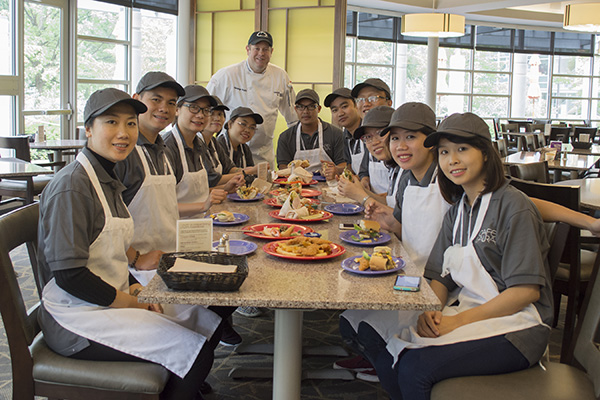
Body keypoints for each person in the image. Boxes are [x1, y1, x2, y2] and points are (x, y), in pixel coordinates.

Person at [37, 88, 222, 400]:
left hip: (108, 297)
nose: (123, 133)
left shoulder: (105, 177)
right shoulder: (73, 187)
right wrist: (133, 301)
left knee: (205, 319)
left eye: (130, 123)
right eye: (111, 122)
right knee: (196, 355)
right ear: (88, 129)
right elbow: (70, 276)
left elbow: (107, 244)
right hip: (75, 317)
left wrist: (135, 287)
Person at [363, 112, 555, 400]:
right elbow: (439, 274)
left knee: (415, 368)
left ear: (487, 154)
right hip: (469, 308)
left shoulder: (514, 207)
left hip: (519, 326)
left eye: (462, 149)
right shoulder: (459, 210)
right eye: (444, 152)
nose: (452, 160)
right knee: (391, 357)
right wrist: (433, 310)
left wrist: (458, 322)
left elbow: (525, 291)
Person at [207, 30, 297, 168]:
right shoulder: (226, 75)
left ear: (271, 51)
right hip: (229, 151)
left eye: (265, 49)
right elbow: (207, 110)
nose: (261, 53)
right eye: (257, 49)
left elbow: (293, 117)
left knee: (264, 188)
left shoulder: (280, 76)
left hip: (264, 152)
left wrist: (295, 150)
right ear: (248, 49)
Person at [163, 84, 228, 207]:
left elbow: (198, 194)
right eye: (194, 107)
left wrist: (226, 188)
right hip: (177, 225)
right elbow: (164, 207)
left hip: (200, 221)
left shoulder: (199, 145)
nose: (200, 115)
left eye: (206, 110)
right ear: (177, 109)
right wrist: (203, 205)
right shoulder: (167, 147)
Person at [337, 105, 401, 208]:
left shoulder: (406, 168)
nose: (374, 142)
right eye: (368, 137)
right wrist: (359, 189)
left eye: (380, 133)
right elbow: (390, 202)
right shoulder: (392, 166)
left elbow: (398, 217)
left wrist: (360, 195)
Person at [276, 88, 347, 177]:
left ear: (319, 109)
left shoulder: (335, 133)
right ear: (295, 109)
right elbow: (283, 168)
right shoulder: (286, 137)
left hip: (329, 185)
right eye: (301, 107)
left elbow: (343, 165)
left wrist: (335, 169)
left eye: (311, 106)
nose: (305, 111)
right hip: (297, 185)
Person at [196, 95, 246, 191]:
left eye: (220, 114)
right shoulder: (197, 143)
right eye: (212, 113)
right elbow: (212, 179)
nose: (217, 118)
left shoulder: (213, 142)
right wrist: (246, 172)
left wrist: (241, 173)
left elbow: (229, 168)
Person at [352, 78, 394, 192]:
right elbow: (364, 170)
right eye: (361, 99)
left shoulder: (396, 135)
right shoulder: (368, 137)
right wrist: (364, 180)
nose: (366, 103)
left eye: (373, 98)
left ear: (389, 103)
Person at [324, 88, 365, 175]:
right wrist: (336, 170)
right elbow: (350, 167)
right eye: (335, 110)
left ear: (356, 105)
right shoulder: (346, 136)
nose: (340, 113)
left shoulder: (368, 132)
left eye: (344, 107)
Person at [216, 106, 264, 171]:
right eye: (243, 124)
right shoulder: (219, 145)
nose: (247, 130)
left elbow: (251, 175)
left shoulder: (245, 149)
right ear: (230, 124)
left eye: (252, 127)